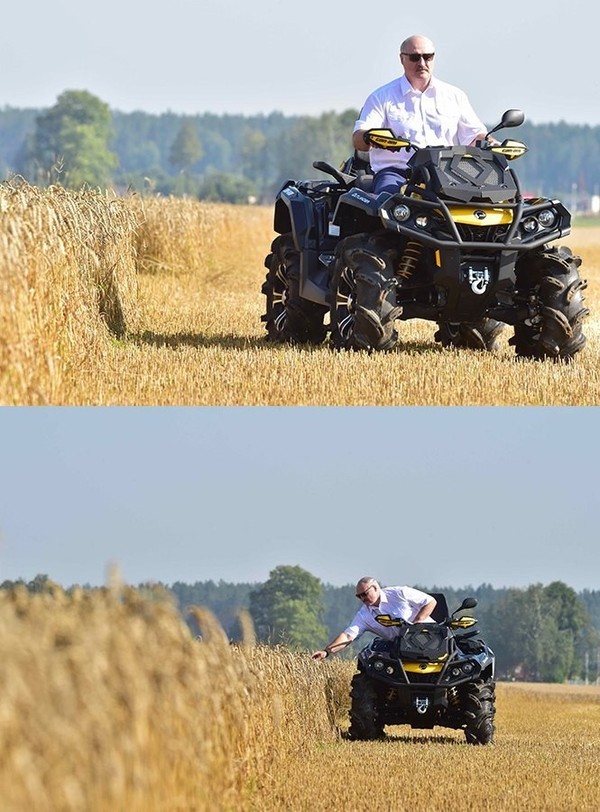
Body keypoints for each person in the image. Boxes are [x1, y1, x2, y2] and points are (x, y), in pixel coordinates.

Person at [352, 34, 489, 194]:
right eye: (415, 57)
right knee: (388, 202)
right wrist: (369, 137)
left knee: (488, 200)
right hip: (398, 173)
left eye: (427, 57)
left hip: (449, 173)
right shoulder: (381, 97)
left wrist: (492, 143)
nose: (422, 63)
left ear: (434, 58)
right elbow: (358, 138)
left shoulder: (454, 96)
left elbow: (475, 136)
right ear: (402, 59)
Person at [311, 577, 437, 660]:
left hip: (432, 641)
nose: (363, 599)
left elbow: (430, 601)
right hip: (401, 651)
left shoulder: (400, 593)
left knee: (455, 657)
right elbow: (348, 636)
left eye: (365, 594)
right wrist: (326, 652)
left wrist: (417, 623)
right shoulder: (364, 615)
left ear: (376, 588)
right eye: (359, 596)